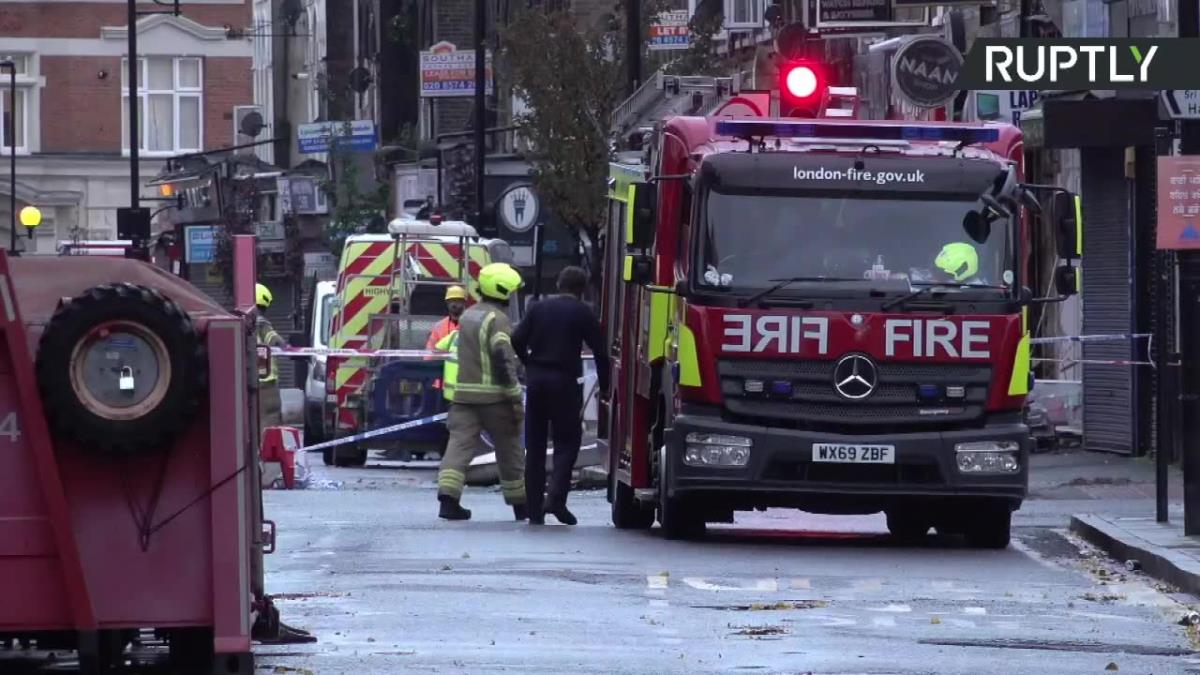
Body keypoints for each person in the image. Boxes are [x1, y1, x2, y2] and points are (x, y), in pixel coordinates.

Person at [512, 266, 610, 526]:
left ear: (558, 284)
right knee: (567, 441)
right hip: (564, 382)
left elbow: (516, 338)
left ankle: (534, 510)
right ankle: (556, 498)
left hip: (536, 382)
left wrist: (528, 362)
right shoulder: (582, 312)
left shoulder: (538, 308)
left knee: (534, 445)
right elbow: (600, 351)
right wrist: (607, 386)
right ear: (582, 288)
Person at [435, 263, 529, 521]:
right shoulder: (497, 319)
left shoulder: (468, 316)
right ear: (503, 291)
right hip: (494, 397)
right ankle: (521, 504)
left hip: (463, 397)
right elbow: (502, 358)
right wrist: (514, 395)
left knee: (458, 446)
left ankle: (448, 498)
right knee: (509, 449)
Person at [256, 283, 286, 429]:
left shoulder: (241, 323)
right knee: (270, 423)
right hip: (267, 385)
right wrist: (287, 347)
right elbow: (276, 341)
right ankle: (265, 452)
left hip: (246, 383)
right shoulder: (261, 324)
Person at [427, 285, 468, 349]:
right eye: (452, 300)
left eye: (458, 300)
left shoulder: (471, 325)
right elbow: (430, 351)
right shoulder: (438, 327)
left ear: (464, 303)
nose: (455, 304)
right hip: (443, 359)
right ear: (447, 303)